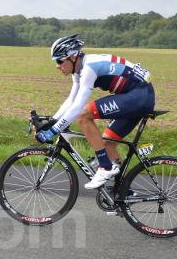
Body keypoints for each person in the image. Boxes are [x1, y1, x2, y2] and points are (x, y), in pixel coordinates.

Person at [36, 34, 155, 189]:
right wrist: (52, 120)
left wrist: (53, 131)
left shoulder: (89, 68)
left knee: (84, 115)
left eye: (59, 60)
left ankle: (105, 168)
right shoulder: (78, 71)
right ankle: (123, 191)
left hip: (139, 95)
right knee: (105, 143)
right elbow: (71, 101)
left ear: (72, 57)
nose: (57, 65)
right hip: (135, 96)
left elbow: (78, 107)